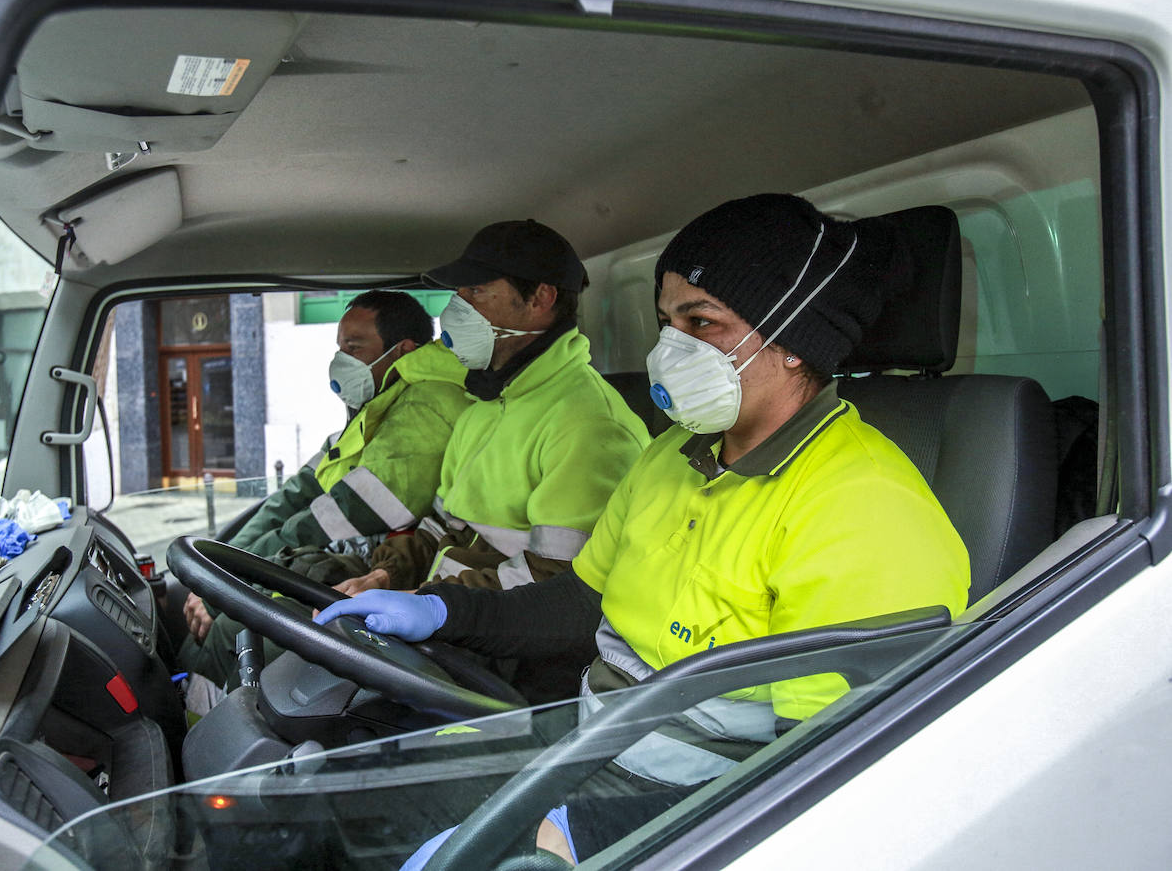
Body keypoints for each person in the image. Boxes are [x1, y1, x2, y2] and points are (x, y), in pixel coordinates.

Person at [315, 194, 971, 866]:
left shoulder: (863, 506)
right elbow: (580, 604)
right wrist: (439, 609)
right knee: (338, 806)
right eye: (667, 322)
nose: (673, 347)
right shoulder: (675, 455)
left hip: (694, 812)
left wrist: (583, 835)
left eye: (702, 321)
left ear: (794, 339)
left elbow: (826, 773)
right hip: (589, 751)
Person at [339, 219, 650, 602]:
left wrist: (423, 603)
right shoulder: (482, 406)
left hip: (502, 645)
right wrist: (385, 576)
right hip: (451, 622)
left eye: (477, 291)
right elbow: (441, 528)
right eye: (460, 292)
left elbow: (558, 582)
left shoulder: (589, 425)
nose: (458, 308)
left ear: (541, 299)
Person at [177, 289, 472, 684]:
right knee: (226, 624)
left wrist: (229, 582)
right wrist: (223, 565)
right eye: (339, 347)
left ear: (402, 351)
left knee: (232, 633)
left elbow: (341, 515)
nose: (340, 360)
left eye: (354, 346)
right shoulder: (373, 411)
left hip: (387, 577)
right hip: (350, 567)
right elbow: (292, 497)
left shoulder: (429, 405)